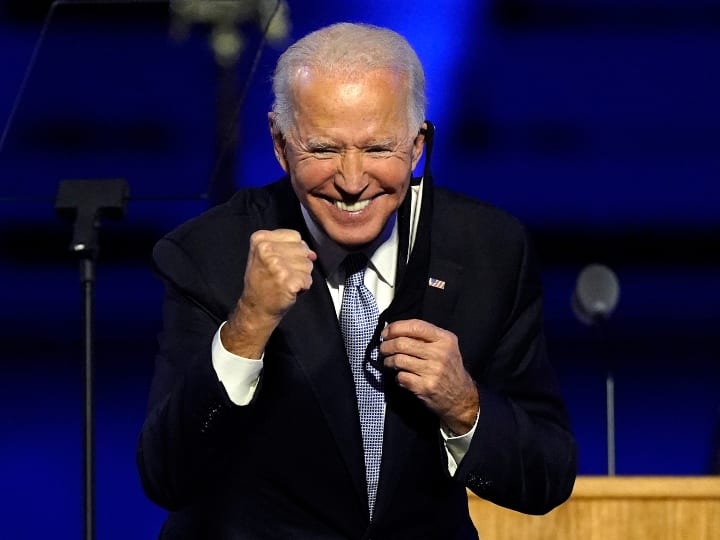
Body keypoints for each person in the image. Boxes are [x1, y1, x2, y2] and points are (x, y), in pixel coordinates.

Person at [137, 22, 576, 539]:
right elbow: (168, 477)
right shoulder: (208, 254)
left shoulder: (489, 249)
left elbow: (546, 477)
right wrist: (247, 327)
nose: (351, 181)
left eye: (378, 149)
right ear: (280, 144)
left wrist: (463, 406)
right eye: (324, 150)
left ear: (417, 145)